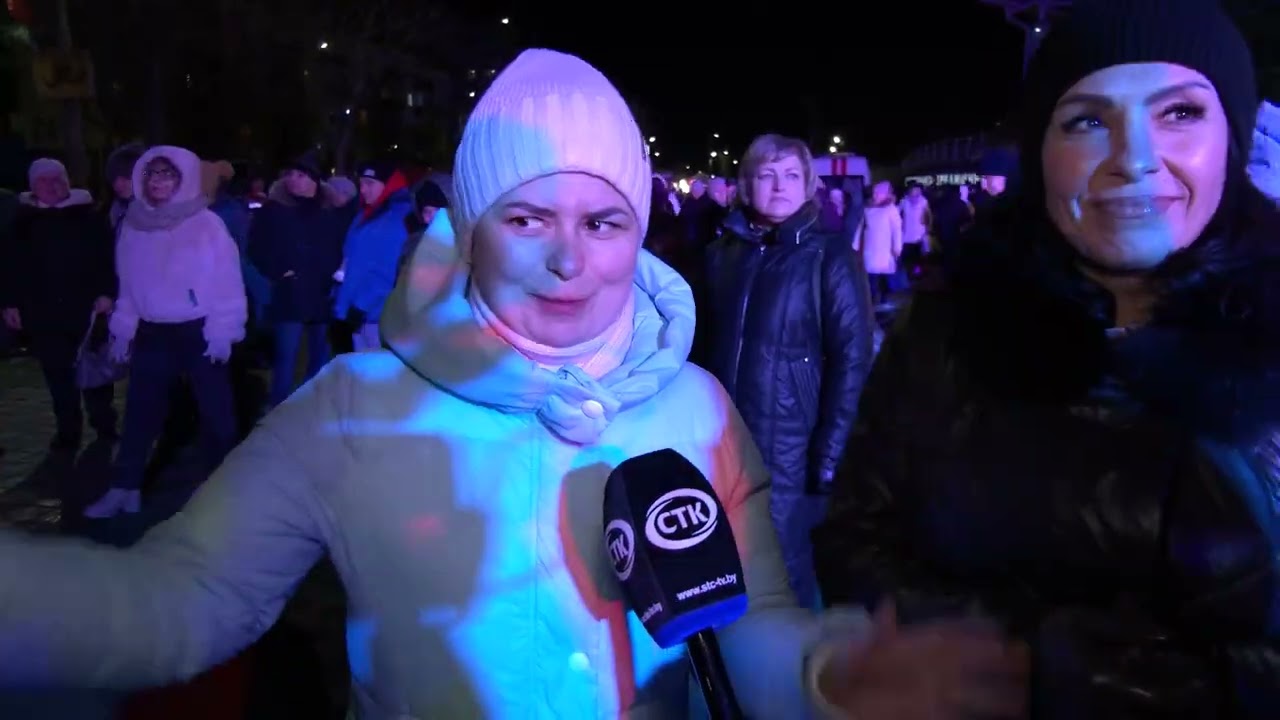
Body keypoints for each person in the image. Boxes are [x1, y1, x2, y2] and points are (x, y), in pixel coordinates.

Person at [0, 49, 1027, 720]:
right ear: (471, 228)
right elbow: (178, 601)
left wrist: (822, 673)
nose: (569, 260)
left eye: (604, 222)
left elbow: (744, 624)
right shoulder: (353, 408)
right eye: (528, 218)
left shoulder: (697, 410)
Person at [813, 1, 1280, 716]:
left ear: (1233, 139)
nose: (1134, 158)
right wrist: (967, 660)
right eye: (1088, 121)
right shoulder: (950, 327)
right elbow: (856, 536)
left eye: (1180, 114)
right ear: (1040, 152)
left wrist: (1083, 679)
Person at [699, 133, 877, 611]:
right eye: (767, 175)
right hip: (720, 440)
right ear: (746, 183)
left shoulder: (829, 256)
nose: (779, 186)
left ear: (808, 185)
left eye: (792, 175)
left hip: (790, 447)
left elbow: (853, 359)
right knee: (723, 560)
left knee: (783, 569)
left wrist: (830, 453)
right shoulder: (723, 254)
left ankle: (795, 654)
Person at [83, 146, 247, 518]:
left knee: (217, 414)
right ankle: (124, 488)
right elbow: (128, 283)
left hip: (198, 330)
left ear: (183, 178)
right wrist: (123, 328)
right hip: (153, 332)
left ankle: (227, 489)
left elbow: (227, 282)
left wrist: (223, 330)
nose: (157, 182)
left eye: (167, 174)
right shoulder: (133, 224)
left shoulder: (206, 224)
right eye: (151, 174)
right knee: (140, 413)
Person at [0, 158, 117, 454]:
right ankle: (68, 431)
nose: (52, 186)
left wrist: (107, 292)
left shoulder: (90, 216)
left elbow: (107, 258)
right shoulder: (22, 221)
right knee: (58, 377)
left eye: (57, 179)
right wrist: (10, 302)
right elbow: (10, 265)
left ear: (67, 181)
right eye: (44, 180)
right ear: (33, 186)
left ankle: (105, 426)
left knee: (95, 374)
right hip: (43, 314)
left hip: (87, 311)